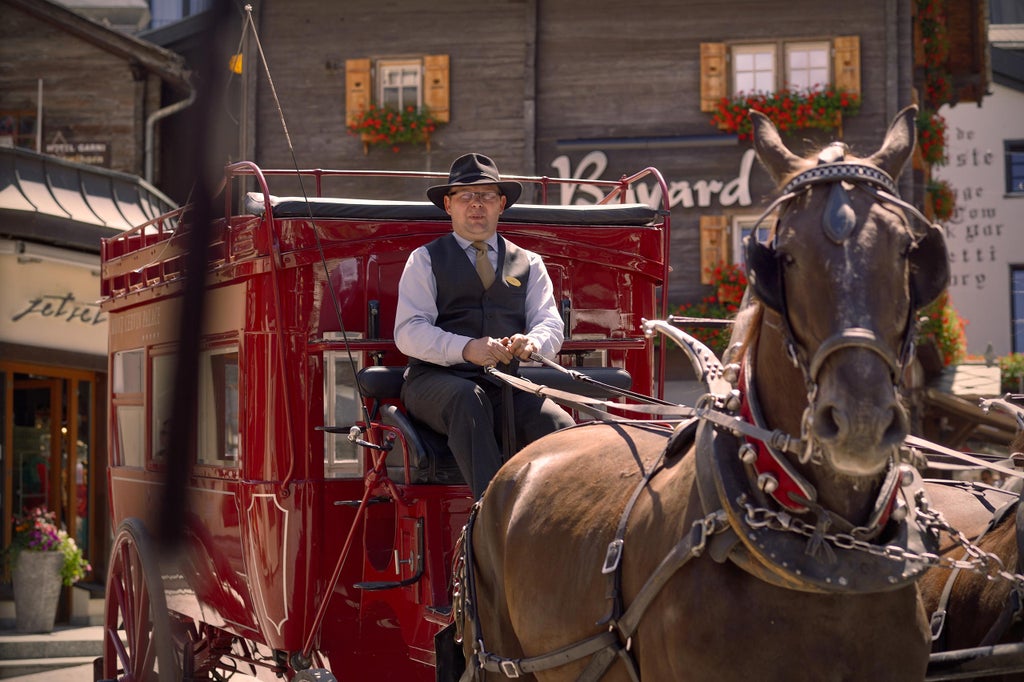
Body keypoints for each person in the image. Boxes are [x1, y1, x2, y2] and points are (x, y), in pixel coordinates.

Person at [394, 153, 574, 499]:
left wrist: (533, 343)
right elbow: (409, 330)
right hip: (433, 382)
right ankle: (490, 516)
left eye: (487, 196)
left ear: (501, 204)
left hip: (506, 382)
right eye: (466, 196)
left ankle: (566, 522)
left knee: (559, 426)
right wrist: (465, 349)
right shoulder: (424, 259)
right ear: (448, 205)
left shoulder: (530, 262)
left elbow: (549, 321)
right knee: (467, 399)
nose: (477, 205)